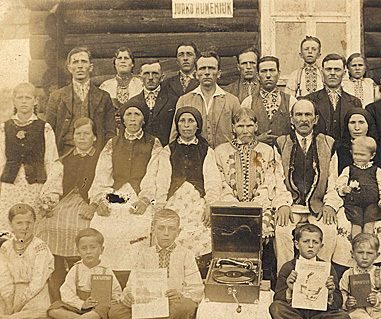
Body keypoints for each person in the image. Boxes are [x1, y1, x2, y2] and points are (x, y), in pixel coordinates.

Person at [88, 99, 163, 287]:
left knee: (139, 229)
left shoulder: (153, 143)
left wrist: (145, 200)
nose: (132, 119)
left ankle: (134, 285)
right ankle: (108, 285)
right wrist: (101, 200)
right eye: (128, 114)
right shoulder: (112, 143)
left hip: (140, 195)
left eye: (137, 114)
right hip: (116, 194)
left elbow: (153, 175)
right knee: (103, 225)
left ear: (143, 120)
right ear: (122, 118)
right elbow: (103, 174)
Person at [334, 109, 381, 277]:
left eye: (361, 122)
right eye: (352, 123)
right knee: (346, 223)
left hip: (376, 202)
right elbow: (338, 180)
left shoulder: (380, 150)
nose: (357, 127)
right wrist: (343, 191)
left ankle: (378, 263)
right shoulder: (342, 150)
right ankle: (352, 257)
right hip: (350, 202)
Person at [274, 99, 342, 272]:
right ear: (291, 119)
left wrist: (330, 205)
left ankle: (321, 278)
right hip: (292, 206)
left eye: (308, 115)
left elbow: (333, 180)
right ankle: (286, 279)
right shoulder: (281, 143)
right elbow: (277, 179)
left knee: (329, 230)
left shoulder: (328, 143)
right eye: (299, 115)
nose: (303, 119)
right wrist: (282, 204)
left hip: (317, 206)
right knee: (282, 230)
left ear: (316, 119)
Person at [108, 209, 204, 319]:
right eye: (161, 228)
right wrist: (127, 296)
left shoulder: (186, 255)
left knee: (187, 307)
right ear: (153, 229)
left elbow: (197, 289)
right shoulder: (144, 254)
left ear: (178, 232)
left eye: (171, 229)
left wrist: (180, 295)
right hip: (147, 305)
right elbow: (131, 285)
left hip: (173, 304)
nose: (166, 233)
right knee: (115, 311)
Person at [145, 106, 222, 259]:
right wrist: (160, 206)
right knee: (170, 228)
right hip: (174, 199)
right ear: (177, 125)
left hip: (197, 199)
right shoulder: (168, 150)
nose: (186, 125)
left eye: (191, 121)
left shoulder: (206, 151)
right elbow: (162, 181)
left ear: (197, 125)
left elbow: (213, 181)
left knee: (203, 228)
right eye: (182, 121)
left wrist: (210, 205)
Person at [37, 117, 100, 301]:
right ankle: (56, 289)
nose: (81, 138)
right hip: (66, 201)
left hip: (87, 202)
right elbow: (54, 184)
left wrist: (94, 204)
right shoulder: (64, 160)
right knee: (46, 225)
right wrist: (48, 203)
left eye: (86, 134)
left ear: (94, 137)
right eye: (78, 134)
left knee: (79, 227)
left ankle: (78, 283)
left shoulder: (101, 158)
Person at [215, 107, 291, 245]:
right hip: (230, 207)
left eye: (249, 126)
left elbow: (271, 181)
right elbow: (220, 182)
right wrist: (234, 205)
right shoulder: (221, 151)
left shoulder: (266, 151)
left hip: (260, 206)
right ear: (233, 127)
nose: (245, 130)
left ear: (256, 126)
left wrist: (256, 204)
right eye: (240, 126)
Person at [269, 223, 350, 319]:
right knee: (276, 307)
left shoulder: (327, 267)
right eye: (306, 241)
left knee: (343, 317)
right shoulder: (288, 267)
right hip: (297, 313)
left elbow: (338, 302)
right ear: (297, 244)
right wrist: (289, 289)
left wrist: (331, 293)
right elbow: (278, 297)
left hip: (319, 314)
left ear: (321, 246)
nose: (310, 246)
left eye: (315, 242)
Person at [0, 82, 59, 232]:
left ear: (35, 101)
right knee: (9, 226)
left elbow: (52, 161)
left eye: (28, 97)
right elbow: (1, 160)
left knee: (32, 227)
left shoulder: (44, 128)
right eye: (20, 98)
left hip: (35, 186)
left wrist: (50, 192)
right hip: (10, 186)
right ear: (14, 101)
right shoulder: (4, 128)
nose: (24, 101)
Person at [45, 47, 116, 155]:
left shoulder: (103, 97)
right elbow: (49, 132)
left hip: (95, 156)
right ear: (69, 68)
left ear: (90, 67)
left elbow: (110, 133)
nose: (80, 66)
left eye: (84, 61)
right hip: (65, 154)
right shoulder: (56, 97)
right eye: (75, 62)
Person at [48, 228, 122, 319]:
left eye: (93, 247)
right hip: (79, 306)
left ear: (101, 250)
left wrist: (115, 299)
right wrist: (81, 304)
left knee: (104, 309)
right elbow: (66, 291)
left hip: (98, 308)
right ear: (78, 251)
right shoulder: (76, 269)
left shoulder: (106, 270)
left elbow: (116, 291)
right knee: (54, 309)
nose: (88, 252)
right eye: (84, 248)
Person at [170, 50, 241, 148]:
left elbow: (240, 134)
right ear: (196, 74)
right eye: (202, 68)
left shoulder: (232, 101)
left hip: (224, 158)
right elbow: (174, 135)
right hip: (194, 157)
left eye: (211, 68)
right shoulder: (184, 100)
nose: (207, 72)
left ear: (219, 73)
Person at [0, 204, 54, 319]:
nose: (24, 227)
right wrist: (9, 300)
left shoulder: (39, 247)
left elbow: (38, 279)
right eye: (19, 223)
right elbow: (4, 276)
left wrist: (21, 302)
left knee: (35, 311)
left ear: (34, 223)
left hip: (34, 293)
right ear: (11, 224)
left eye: (28, 223)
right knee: (4, 308)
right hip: (11, 291)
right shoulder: (6, 247)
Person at [335, 137, 381, 238]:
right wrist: (344, 189)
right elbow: (340, 183)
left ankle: (367, 244)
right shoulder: (349, 169)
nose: (358, 158)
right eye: (355, 154)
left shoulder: (376, 170)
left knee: (369, 225)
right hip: (354, 204)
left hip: (372, 204)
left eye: (362, 155)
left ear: (372, 155)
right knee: (356, 225)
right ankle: (357, 246)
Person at [241, 56, 297, 145]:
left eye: (272, 70)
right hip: (257, 155)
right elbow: (241, 134)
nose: (268, 75)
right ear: (258, 75)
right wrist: (257, 139)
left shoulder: (291, 101)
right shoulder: (248, 102)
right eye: (263, 71)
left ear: (279, 74)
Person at [305, 54, 362, 141]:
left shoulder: (355, 102)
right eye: (328, 69)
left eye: (337, 69)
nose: (332, 73)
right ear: (322, 72)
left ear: (344, 73)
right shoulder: (310, 100)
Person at [128, 60, 177, 146]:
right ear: (140, 78)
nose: (150, 77)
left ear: (162, 77)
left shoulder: (173, 100)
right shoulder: (133, 102)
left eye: (155, 73)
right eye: (146, 73)